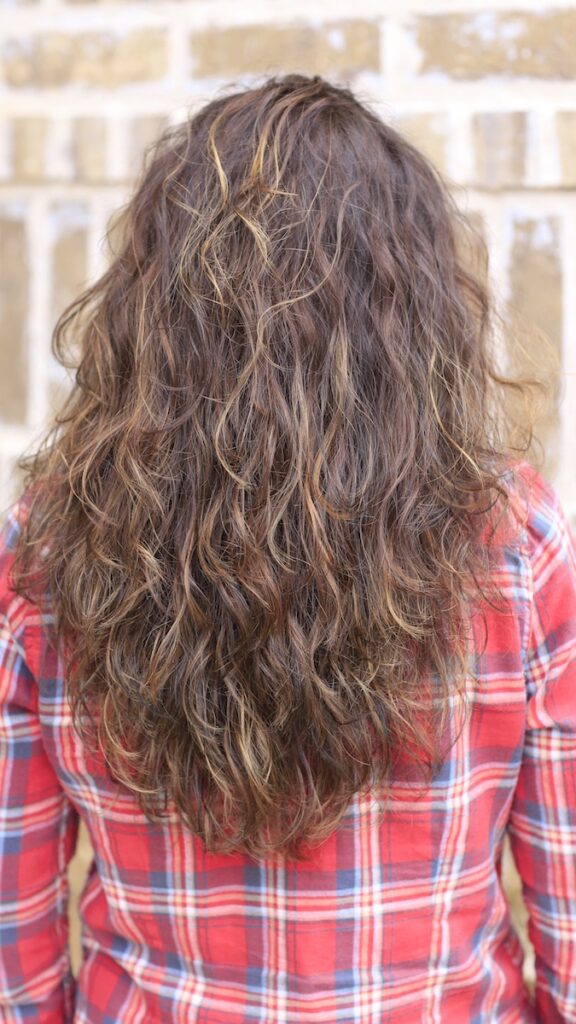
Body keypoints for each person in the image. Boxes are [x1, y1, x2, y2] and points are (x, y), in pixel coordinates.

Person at [0, 73, 574, 1024]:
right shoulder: (517, 546)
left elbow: (13, 948)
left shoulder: (51, 550)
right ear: (416, 311)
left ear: (154, 309)